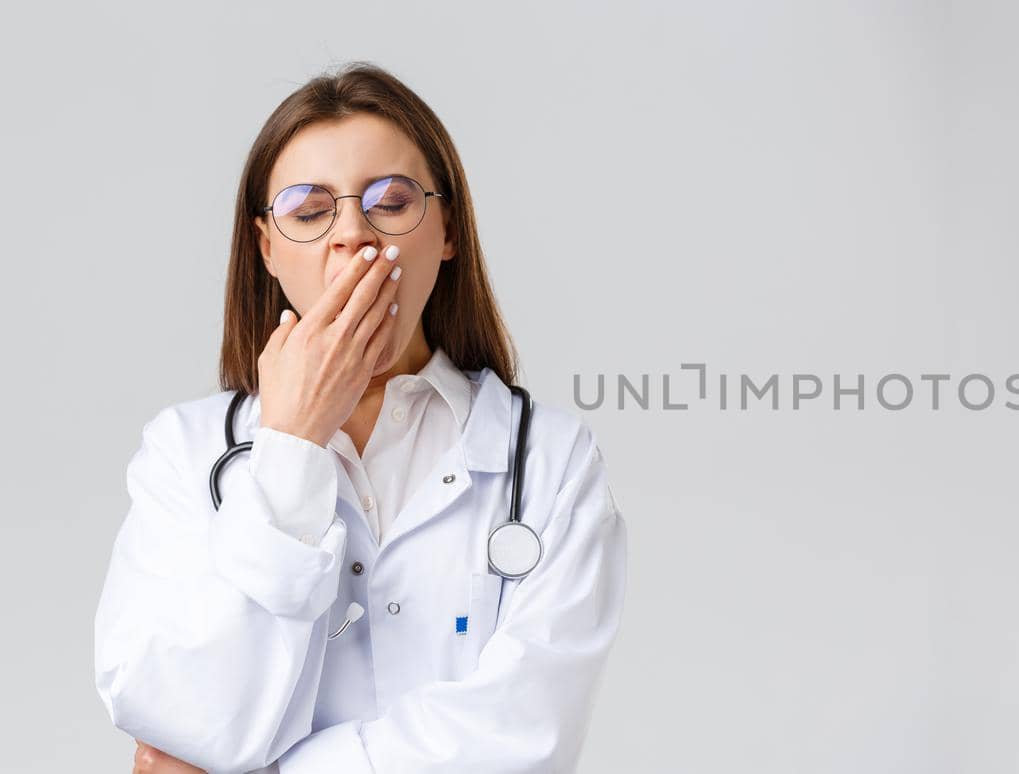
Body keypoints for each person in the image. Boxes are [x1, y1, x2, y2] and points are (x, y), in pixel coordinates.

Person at [92, 62, 629, 774]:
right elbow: (177, 716)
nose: (353, 235)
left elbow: (523, 736)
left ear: (447, 232)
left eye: (392, 200)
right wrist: (290, 445)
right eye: (310, 212)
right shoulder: (183, 454)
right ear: (267, 249)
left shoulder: (552, 462)